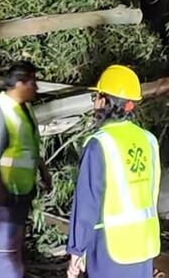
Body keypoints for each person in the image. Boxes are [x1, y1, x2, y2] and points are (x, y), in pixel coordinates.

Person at [66, 65, 160, 278]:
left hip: (110, 248)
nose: (94, 103)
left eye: (96, 97)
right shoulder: (149, 141)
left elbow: (87, 203)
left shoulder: (99, 144)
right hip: (144, 244)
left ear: (105, 101)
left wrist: (76, 250)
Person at [0, 61, 51, 278]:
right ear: (20, 83)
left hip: (19, 192)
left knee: (2, 253)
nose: (36, 87)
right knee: (6, 258)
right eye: (33, 82)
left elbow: (28, 146)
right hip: (0, 194)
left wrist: (43, 170)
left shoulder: (24, 109)